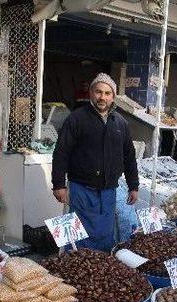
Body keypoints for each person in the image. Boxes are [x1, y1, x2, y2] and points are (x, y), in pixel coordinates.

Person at [51, 73, 139, 252]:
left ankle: (100, 270)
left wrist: (134, 186)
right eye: (98, 92)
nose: (102, 97)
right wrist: (58, 184)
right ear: (91, 93)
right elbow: (61, 152)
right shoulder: (76, 119)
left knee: (104, 234)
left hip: (108, 191)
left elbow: (129, 156)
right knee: (80, 236)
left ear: (113, 97)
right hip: (82, 189)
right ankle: (75, 272)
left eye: (107, 93)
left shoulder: (120, 123)